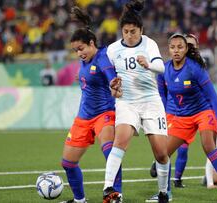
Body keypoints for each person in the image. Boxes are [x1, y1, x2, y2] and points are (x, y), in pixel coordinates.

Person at [147, 33, 217, 203]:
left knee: (208, 146)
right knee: (163, 154)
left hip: (202, 112)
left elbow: (213, 96)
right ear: (168, 49)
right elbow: (161, 96)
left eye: (180, 47)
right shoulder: (163, 70)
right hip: (181, 117)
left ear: (186, 49)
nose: (176, 50)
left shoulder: (195, 68)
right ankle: (165, 194)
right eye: (172, 47)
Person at [102, 1, 170, 203]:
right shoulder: (112, 50)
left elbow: (161, 67)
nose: (129, 36)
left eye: (133, 31)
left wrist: (148, 64)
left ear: (141, 30)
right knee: (120, 141)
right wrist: (113, 88)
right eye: (126, 31)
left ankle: (164, 193)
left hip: (151, 102)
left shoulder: (149, 44)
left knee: (161, 153)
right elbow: (110, 80)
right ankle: (108, 188)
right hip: (126, 102)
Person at [60, 7, 122, 203]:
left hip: (104, 114)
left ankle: (115, 195)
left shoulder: (103, 58)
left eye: (81, 48)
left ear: (92, 44)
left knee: (110, 151)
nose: (79, 53)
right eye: (75, 50)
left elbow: (111, 77)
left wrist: (114, 85)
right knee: (68, 163)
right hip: (83, 117)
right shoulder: (87, 59)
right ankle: (80, 200)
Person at [149, 33, 200, 189]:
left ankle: (177, 179)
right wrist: (164, 112)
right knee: (168, 152)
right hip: (172, 114)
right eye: (188, 45)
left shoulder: (197, 67)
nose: (190, 48)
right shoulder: (168, 67)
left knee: (183, 151)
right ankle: (166, 190)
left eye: (193, 46)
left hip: (190, 115)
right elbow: (162, 90)